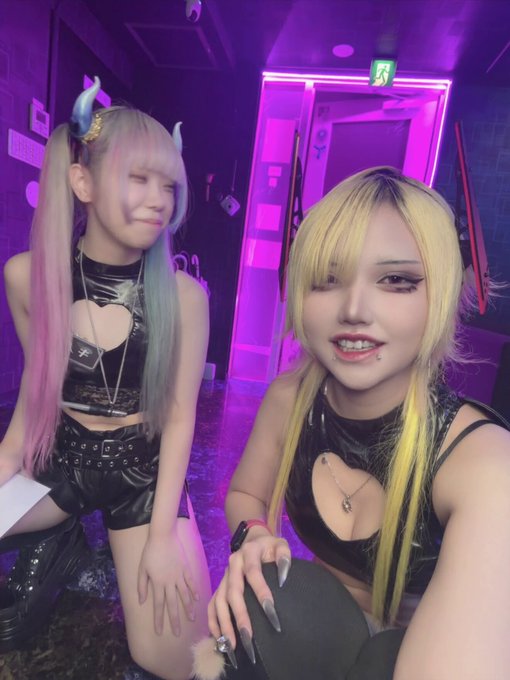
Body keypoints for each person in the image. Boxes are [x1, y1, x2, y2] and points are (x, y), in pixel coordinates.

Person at [197, 167, 510, 680]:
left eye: (397, 281)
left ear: (443, 295)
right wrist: (253, 537)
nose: (354, 309)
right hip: (322, 628)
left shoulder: (484, 461)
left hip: (418, 647)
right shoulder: (290, 400)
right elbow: (247, 495)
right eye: (328, 279)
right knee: (261, 603)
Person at [0, 77, 211, 680]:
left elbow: (179, 419)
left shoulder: (184, 297)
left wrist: (162, 537)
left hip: (142, 476)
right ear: (83, 183)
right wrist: (8, 460)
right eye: (139, 179)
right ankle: (58, 541)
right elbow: (38, 390)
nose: (159, 200)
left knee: (176, 660)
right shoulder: (27, 277)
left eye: (168, 185)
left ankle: (84, 536)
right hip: (61, 461)